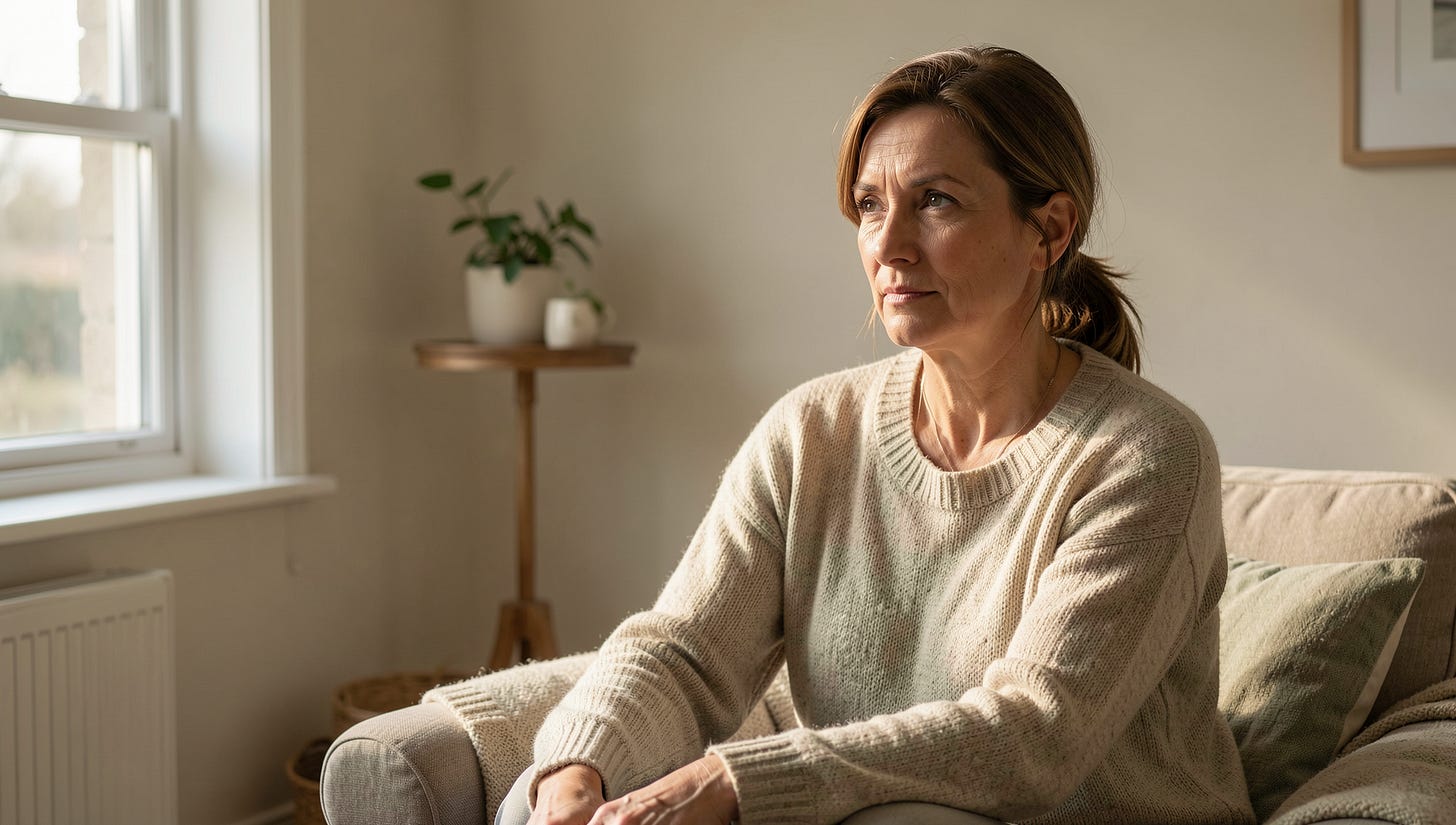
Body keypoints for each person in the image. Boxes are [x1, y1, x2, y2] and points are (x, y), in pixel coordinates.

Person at [503, 46, 1255, 825]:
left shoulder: (1146, 454)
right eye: (869, 205)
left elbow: (1032, 736)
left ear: (1049, 231)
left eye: (936, 201)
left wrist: (734, 780)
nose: (889, 243)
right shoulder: (810, 434)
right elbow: (684, 653)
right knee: (534, 803)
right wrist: (573, 776)